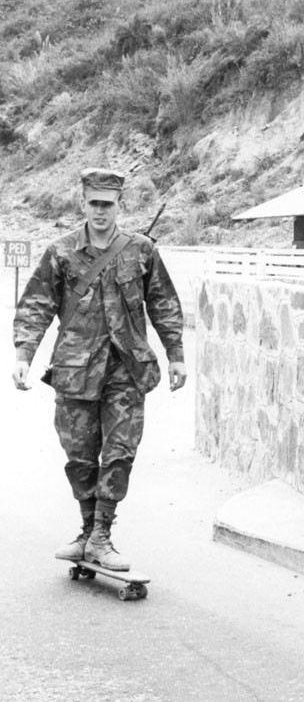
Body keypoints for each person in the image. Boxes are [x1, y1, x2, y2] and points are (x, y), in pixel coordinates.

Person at [12, 168, 187, 570]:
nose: (101, 212)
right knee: (80, 456)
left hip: (126, 368)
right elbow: (37, 304)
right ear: (83, 204)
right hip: (75, 370)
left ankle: (103, 534)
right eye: (94, 203)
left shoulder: (141, 250)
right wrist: (24, 353)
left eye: (108, 204)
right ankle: (88, 531)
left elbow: (162, 302)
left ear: (119, 205)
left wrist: (176, 352)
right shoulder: (61, 251)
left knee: (120, 451)